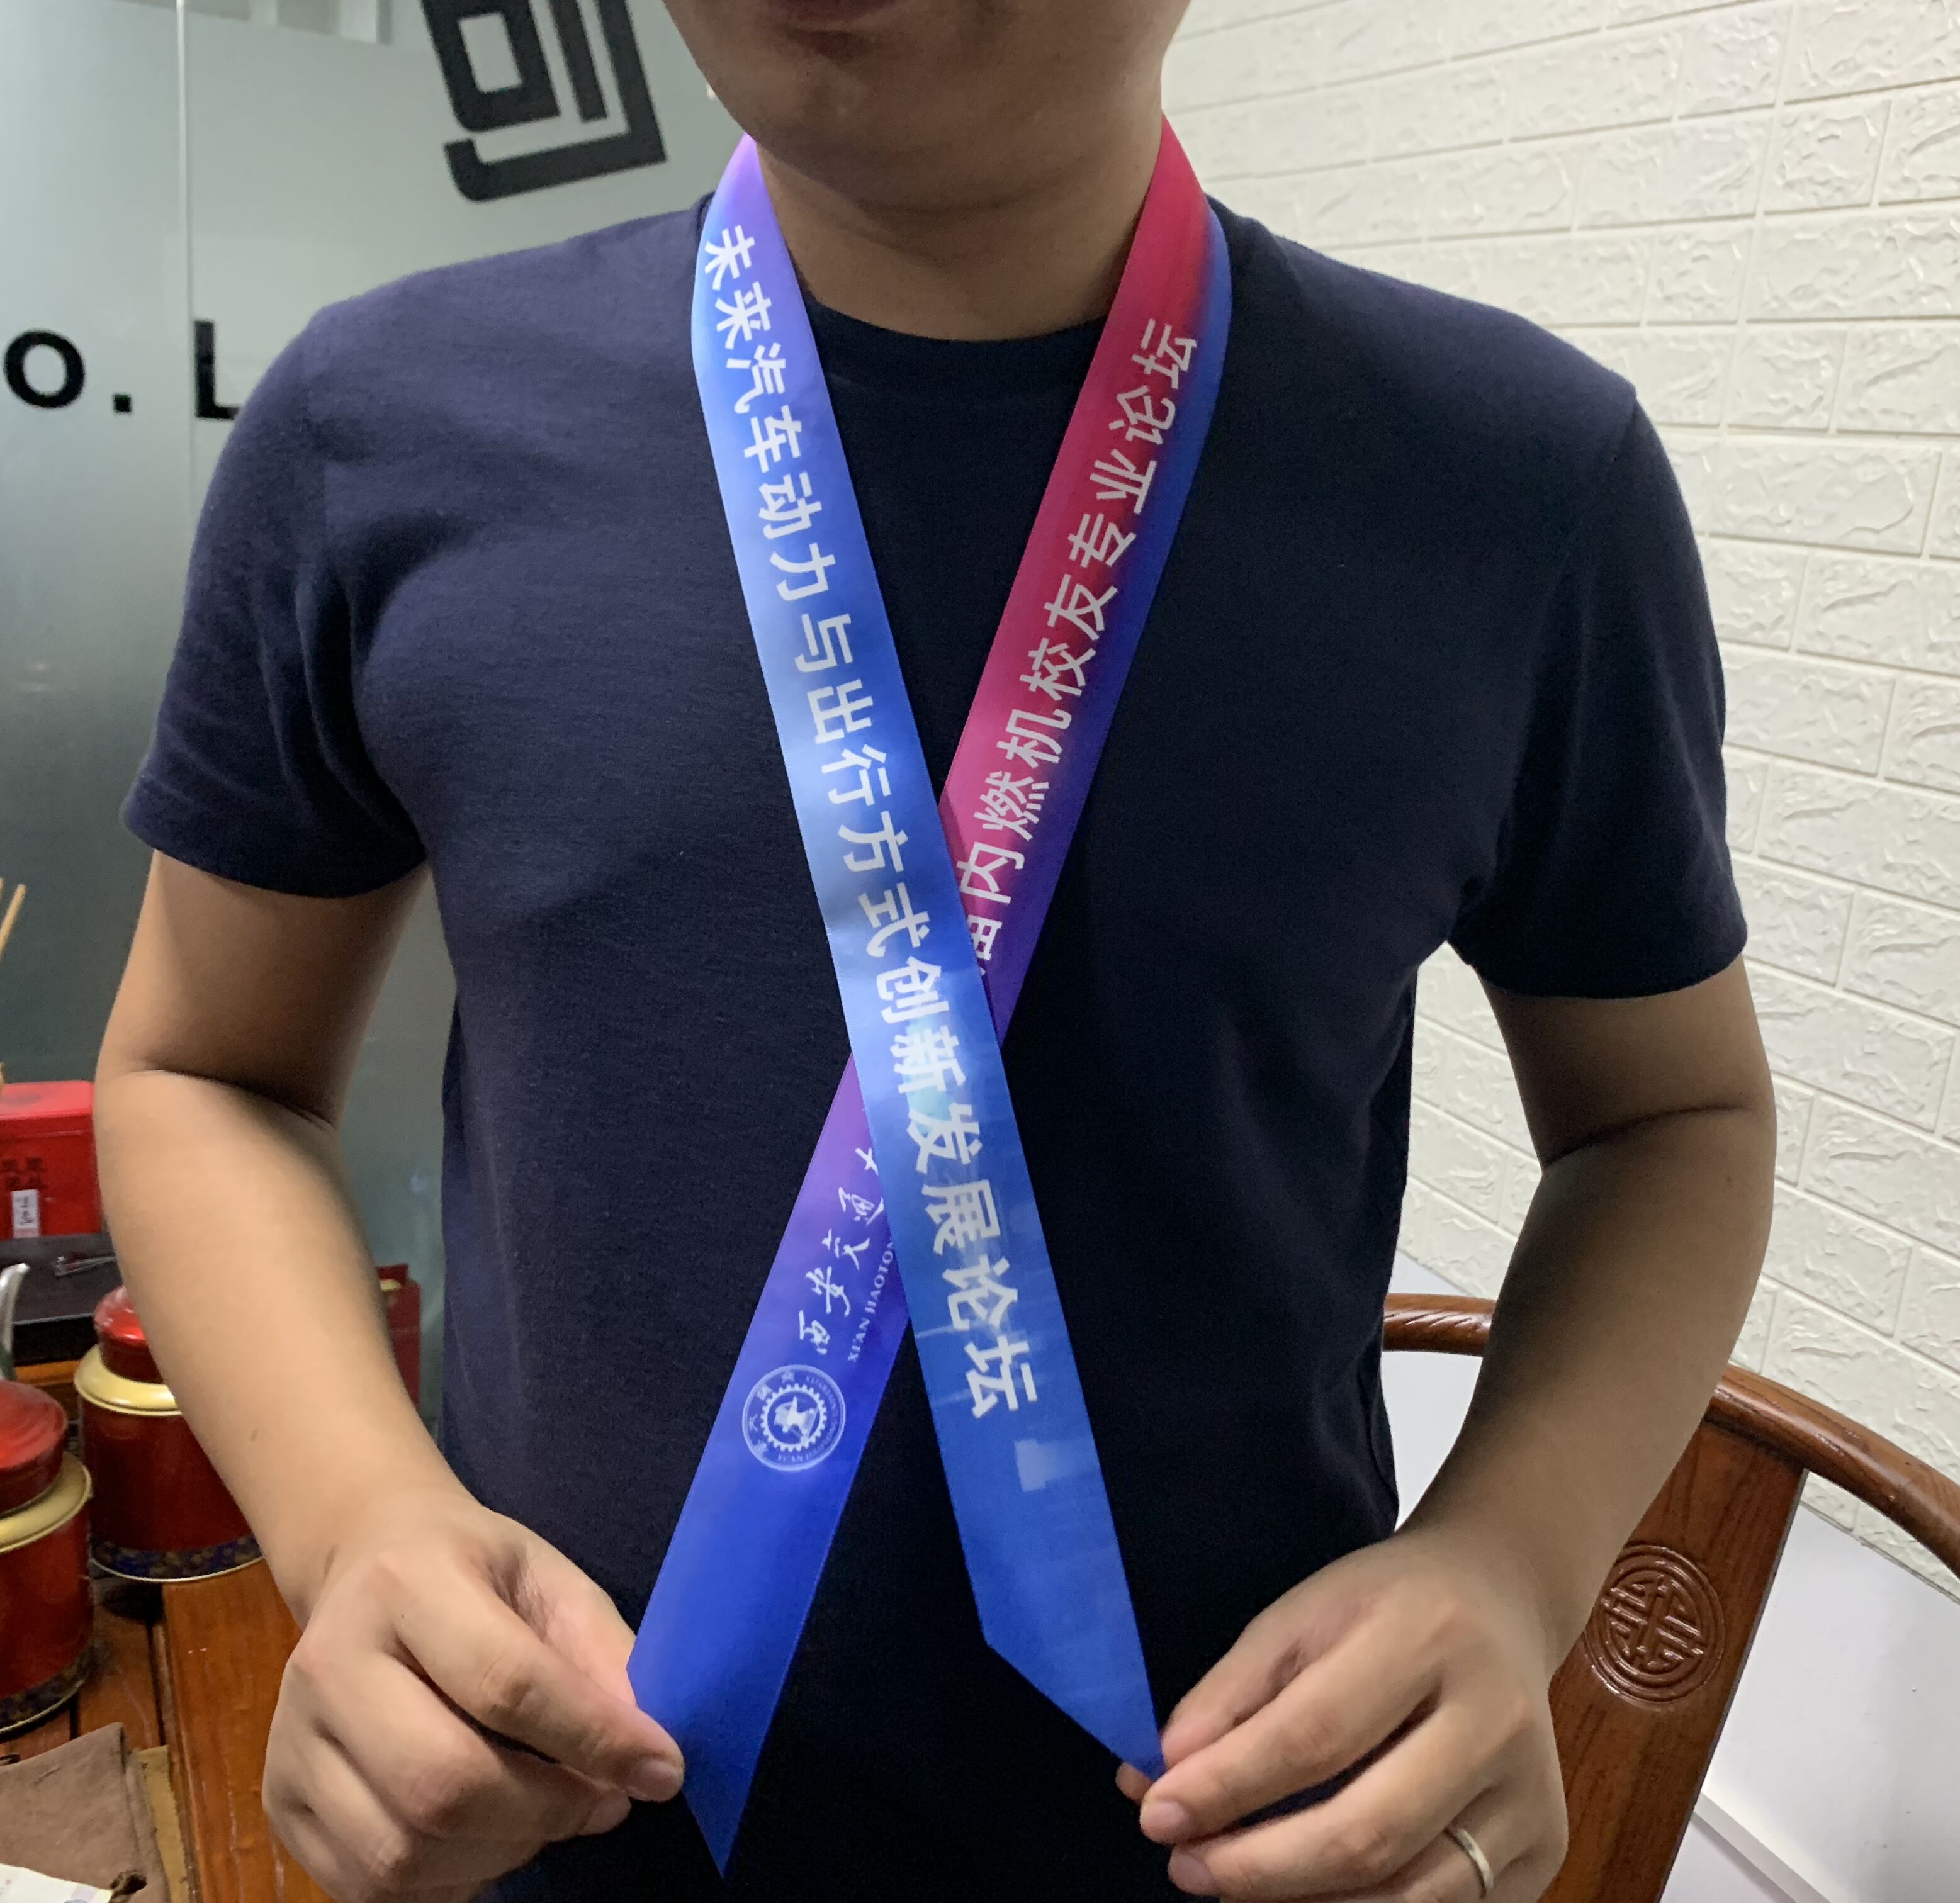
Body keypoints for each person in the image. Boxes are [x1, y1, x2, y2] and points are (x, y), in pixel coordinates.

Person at [94, 0, 1775, 1898]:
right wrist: (351, 1524)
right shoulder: (379, 431)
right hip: (547, 1817)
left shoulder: (1513, 490)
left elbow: (1669, 1122)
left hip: (1247, 1836)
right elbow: (204, 1069)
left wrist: (1515, 1560)